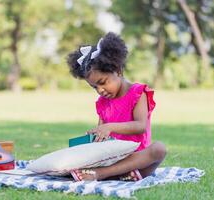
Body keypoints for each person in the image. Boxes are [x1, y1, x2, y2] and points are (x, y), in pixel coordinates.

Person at [66, 32, 166, 181]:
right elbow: (101, 135)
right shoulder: (102, 102)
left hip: (137, 156)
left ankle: (104, 174)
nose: (100, 90)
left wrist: (110, 127)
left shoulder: (137, 93)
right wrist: (94, 136)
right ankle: (123, 174)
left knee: (159, 149)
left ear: (118, 71)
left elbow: (141, 126)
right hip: (113, 157)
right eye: (94, 87)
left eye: (103, 82)